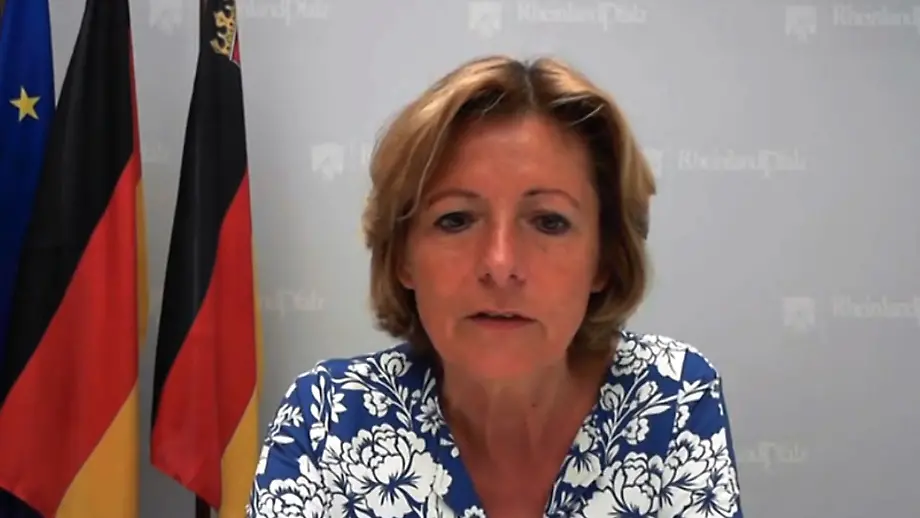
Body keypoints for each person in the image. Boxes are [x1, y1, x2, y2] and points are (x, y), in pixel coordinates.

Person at [247, 55, 744, 518]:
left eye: (548, 222)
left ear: (605, 259)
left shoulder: (670, 398)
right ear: (402, 257)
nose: (500, 265)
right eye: (456, 220)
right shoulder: (328, 418)